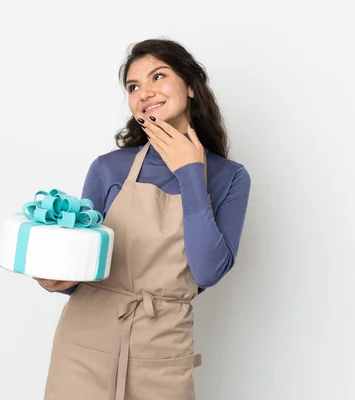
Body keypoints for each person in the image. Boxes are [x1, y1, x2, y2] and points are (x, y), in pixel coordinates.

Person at [35, 38, 251, 400]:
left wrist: (190, 175)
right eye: (133, 86)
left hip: (162, 354)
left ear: (192, 87)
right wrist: (60, 279)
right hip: (83, 347)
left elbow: (207, 272)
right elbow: (85, 266)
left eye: (158, 77)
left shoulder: (230, 178)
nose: (144, 92)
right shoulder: (108, 168)